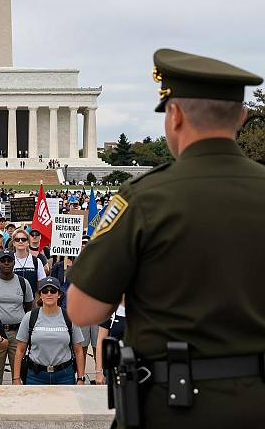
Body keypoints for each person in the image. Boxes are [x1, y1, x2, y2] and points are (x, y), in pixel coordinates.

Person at [67, 48, 265, 428]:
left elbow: (83, 310)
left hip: (174, 406)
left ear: (174, 116)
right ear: (242, 116)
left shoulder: (145, 198)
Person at [13, 277, 85, 385]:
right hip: (35, 376)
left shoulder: (70, 317)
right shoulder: (30, 317)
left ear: (59, 294)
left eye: (53, 291)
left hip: (64, 376)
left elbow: (79, 351)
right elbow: (20, 350)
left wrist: (81, 378)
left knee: (65, 403)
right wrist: (16, 378)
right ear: (40, 295)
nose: (49, 294)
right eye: (45, 291)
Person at [0, 249, 33, 384]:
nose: (6, 263)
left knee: (18, 374)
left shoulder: (23, 283)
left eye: (9, 260)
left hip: (17, 333)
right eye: (3, 260)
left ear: (14, 262)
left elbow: (28, 308)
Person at [11, 228, 46, 297]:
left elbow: (41, 284)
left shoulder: (37, 261)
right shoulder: (7, 261)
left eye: (23, 239)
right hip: (12, 301)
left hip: (32, 302)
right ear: (14, 243)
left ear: (28, 242)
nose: (20, 241)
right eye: (17, 239)